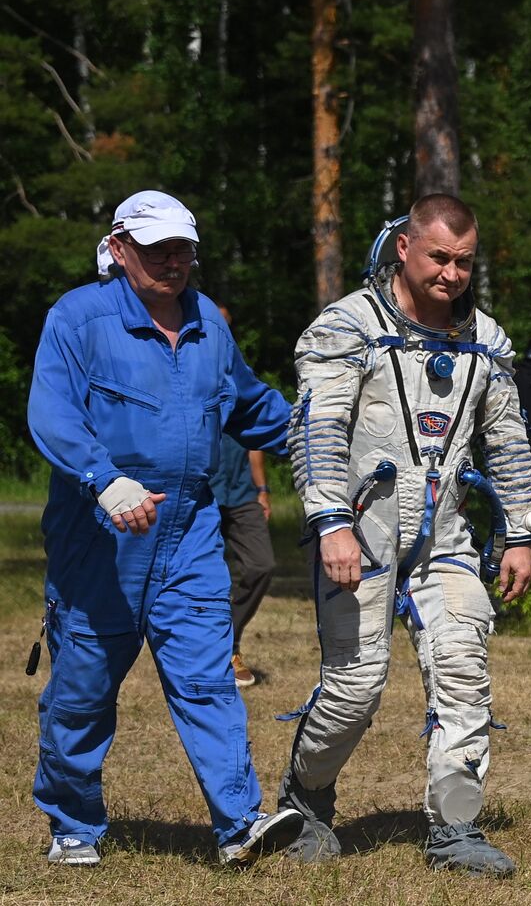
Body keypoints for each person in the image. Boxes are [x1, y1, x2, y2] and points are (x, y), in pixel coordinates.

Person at [27, 190, 302, 867]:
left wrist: (323, 432)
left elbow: (251, 406)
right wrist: (103, 478)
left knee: (208, 679)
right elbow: (52, 412)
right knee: (83, 691)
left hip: (190, 534)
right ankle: (73, 825)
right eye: (157, 250)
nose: (172, 262)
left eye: (183, 249)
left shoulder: (209, 324)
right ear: (120, 249)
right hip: (100, 536)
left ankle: (239, 824)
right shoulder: (78, 319)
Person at [276, 194, 531, 877]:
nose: (452, 274)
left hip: (444, 536)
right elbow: (318, 429)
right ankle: (305, 798)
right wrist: (331, 521)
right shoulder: (347, 328)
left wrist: (520, 532)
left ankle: (455, 829)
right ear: (404, 248)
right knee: (355, 686)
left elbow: (508, 442)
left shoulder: (485, 340)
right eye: (439, 257)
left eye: (465, 262)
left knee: (463, 674)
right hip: (361, 533)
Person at [210, 305, 278, 688]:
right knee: (204, 577)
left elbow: (255, 436)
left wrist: (262, 489)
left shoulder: (239, 373)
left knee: (261, 565)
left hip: (240, 490)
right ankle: (219, 653)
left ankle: (226, 640)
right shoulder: (178, 366)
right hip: (200, 490)